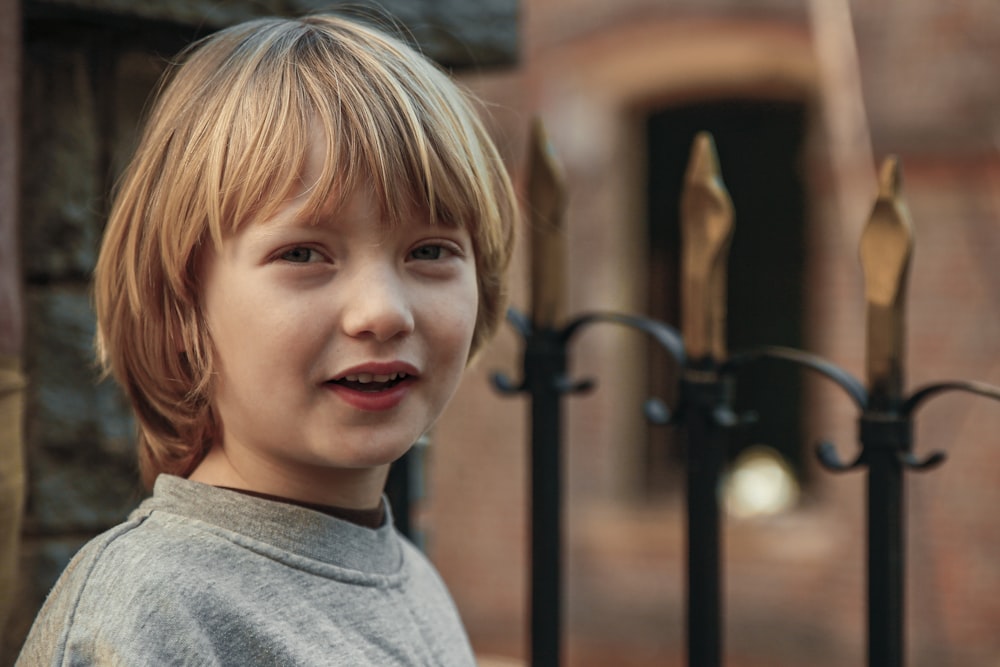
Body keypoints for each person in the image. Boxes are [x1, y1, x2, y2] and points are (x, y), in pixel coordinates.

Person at [18, 12, 516, 666]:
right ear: (184, 302)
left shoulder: (412, 578)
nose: (382, 313)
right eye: (305, 254)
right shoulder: (151, 610)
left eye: (429, 250)